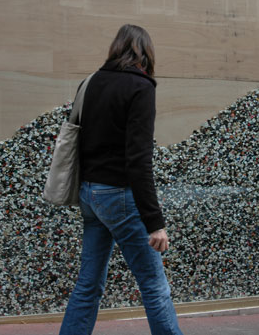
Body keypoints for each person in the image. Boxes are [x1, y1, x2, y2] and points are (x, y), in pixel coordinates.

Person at [58, 24, 183, 335]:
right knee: (155, 286)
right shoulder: (141, 88)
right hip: (119, 197)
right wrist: (155, 222)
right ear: (145, 54)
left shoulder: (90, 82)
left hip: (89, 195)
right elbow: (139, 160)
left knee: (88, 284)